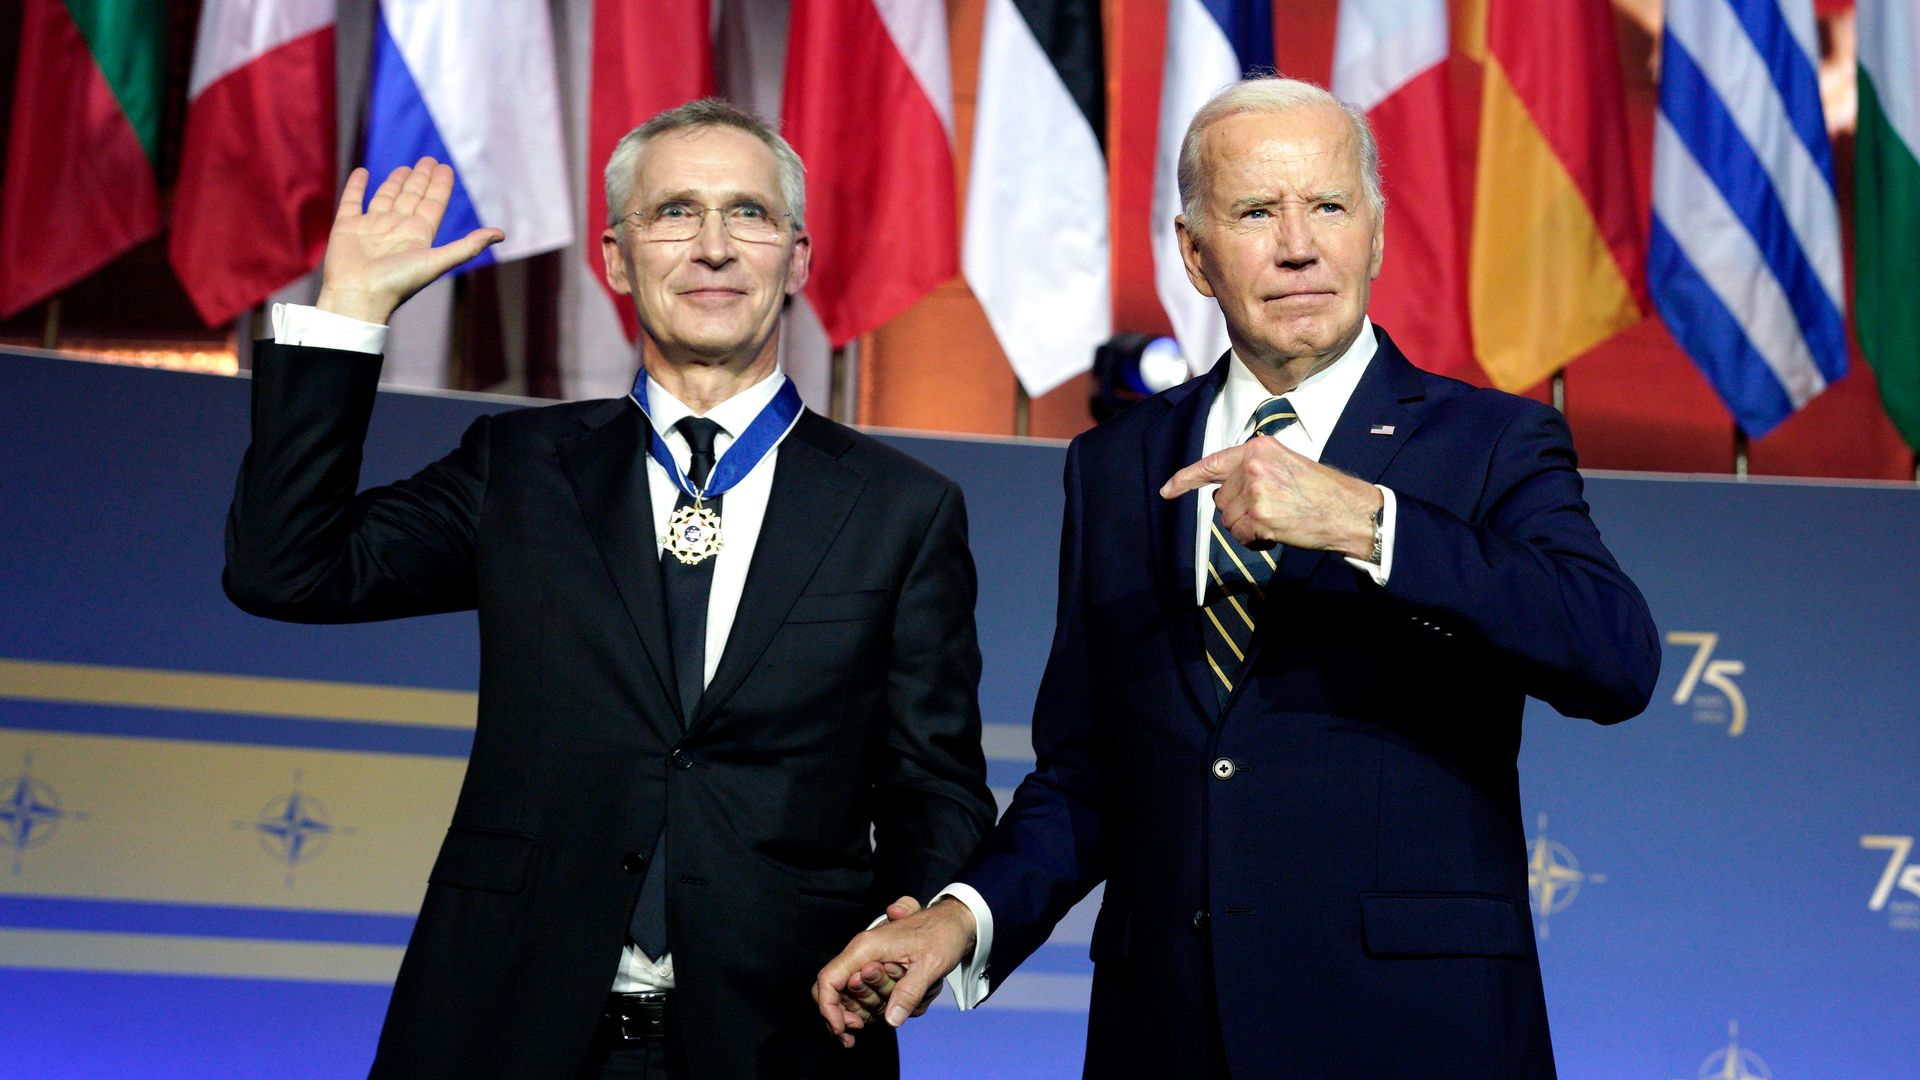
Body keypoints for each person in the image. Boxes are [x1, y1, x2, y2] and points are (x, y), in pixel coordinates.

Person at [814, 76, 1660, 1078]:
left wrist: (1366, 521)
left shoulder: (1489, 441)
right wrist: (962, 919)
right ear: (1195, 252)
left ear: (1378, 234)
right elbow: (1088, 771)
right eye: (1258, 211)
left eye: (1330, 207)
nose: (1299, 244)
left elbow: (1614, 656)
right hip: (1169, 1031)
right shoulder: (1118, 462)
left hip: (1413, 1031)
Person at [224, 99, 994, 1079]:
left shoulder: (902, 509)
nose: (714, 247)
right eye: (675, 212)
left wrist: (917, 915)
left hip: (783, 1041)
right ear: (617, 260)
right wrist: (348, 319)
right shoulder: (523, 467)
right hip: (505, 1030)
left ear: (797, 259)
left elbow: (937, 783)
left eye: (748, 215)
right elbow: (286, 567)